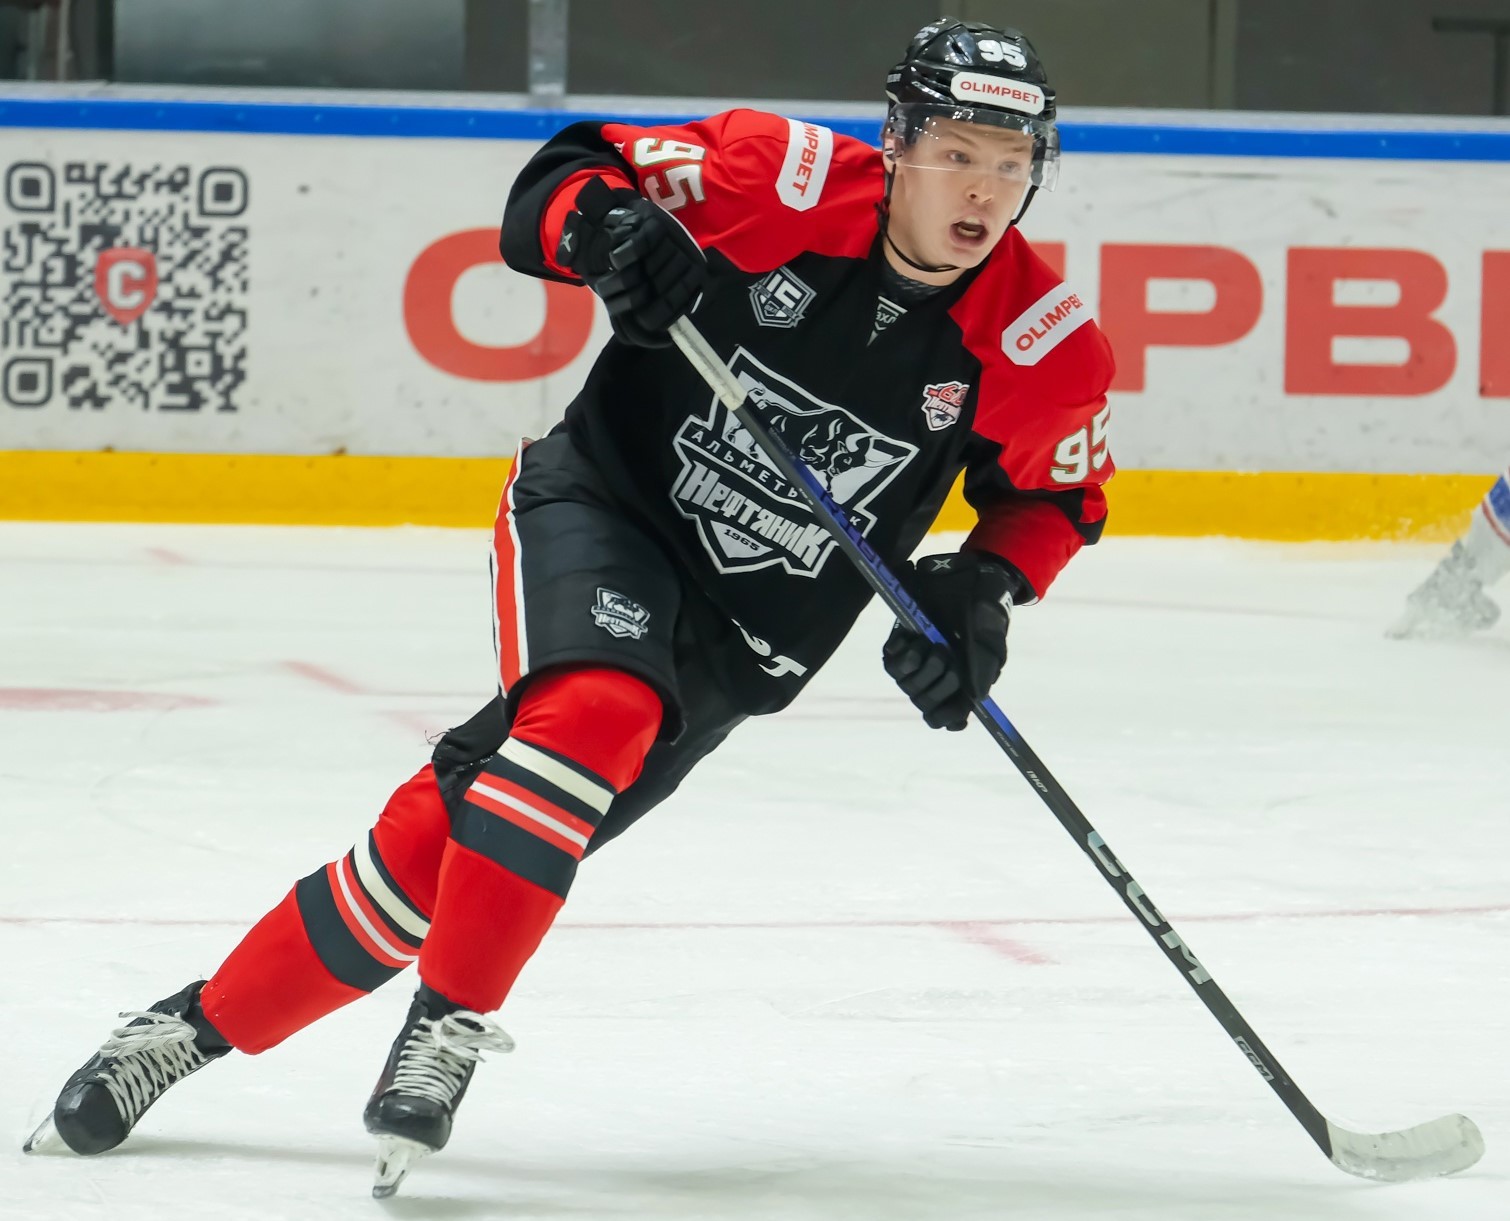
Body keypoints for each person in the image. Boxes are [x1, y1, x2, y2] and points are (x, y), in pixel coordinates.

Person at [23, 17, 1116, 1198]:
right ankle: (447, 1027)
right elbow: (563, 179)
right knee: (597, 711)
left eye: (1011, 164)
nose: (984, 190)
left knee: (436, 859)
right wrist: (605, 230)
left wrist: (984, 587)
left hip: (748, 639)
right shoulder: (775, 176)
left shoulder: (1044, 343)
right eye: (956, 153)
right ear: (896, 144)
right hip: (608, 507)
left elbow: (1055, 495)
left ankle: (183, 1031)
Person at [1389, 468, 1510, 639]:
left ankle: (1429, 602)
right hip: (1500, 516)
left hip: (1498, 510)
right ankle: (1427, 604)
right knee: (1472, 564)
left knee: (1471, 563)